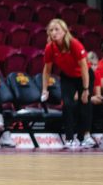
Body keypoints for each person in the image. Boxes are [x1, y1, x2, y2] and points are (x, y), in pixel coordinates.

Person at [40, 18, 95, 149]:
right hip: (67, 77)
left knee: (85, 104)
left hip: (84, 75)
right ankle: (69, 138)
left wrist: (86, 89)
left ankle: (85, 136)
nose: (54, 32)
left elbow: (84, 67)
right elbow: (47, 70)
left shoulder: (74, 44)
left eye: (57, 29)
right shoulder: (50, 47)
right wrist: (44, 89)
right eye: (51, 30)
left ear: (65, 31)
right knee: (67, 104)